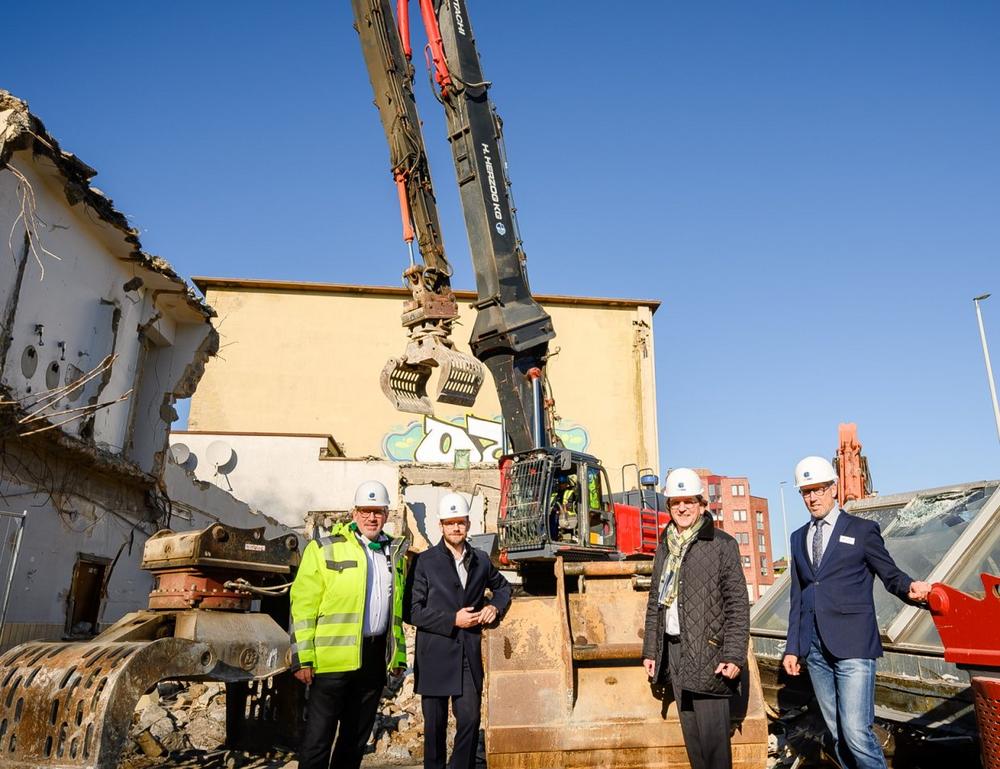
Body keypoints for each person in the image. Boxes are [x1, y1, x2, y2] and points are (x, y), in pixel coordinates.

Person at [782, 456, 932, 769]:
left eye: (819, 489)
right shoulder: (798, 538)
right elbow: (799, 596)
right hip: (815, 649)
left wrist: (910, 588)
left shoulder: (862, 530)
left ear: (833, 488)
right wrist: (793, 648)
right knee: (837, 733)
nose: (812, 497)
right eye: (806, 492)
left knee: (855, 731)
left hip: (853, 645)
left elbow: (889, 573)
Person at [289, 480, 409, 769]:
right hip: (331, 662)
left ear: (386, 514)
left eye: (378, 512)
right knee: (318, 740)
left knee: (354, 741)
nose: (372, 518)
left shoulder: (393, 554)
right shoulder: (324, 548)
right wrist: (302, 657)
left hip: (372, 660)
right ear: (354, 513)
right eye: (366, 511)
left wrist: (398, 656)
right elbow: (303, 605)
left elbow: (396, 612)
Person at [642, 468, 749, 769]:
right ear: (669, 508)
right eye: (676, 503)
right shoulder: (665, 547)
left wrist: (733, 655)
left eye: (689, 501)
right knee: (694, 743)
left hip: (710, 653)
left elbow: (738, 604)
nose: (683, 508)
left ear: (702, 504)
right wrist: (651, 650)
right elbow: (656, 602)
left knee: (715, 748)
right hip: (675, 652)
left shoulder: (721, 544)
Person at [405, 492, 512, 769]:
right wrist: (452, 620)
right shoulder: (424, 562)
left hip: (468, 654)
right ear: (441, 525)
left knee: (470, 720)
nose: (456, 528)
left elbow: (503, 588)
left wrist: (495, 607)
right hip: (435, 655)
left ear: (468, 523)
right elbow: (413, 611)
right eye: (450, 522)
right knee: (435, 729)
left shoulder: (481, 560)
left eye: (460, 522)